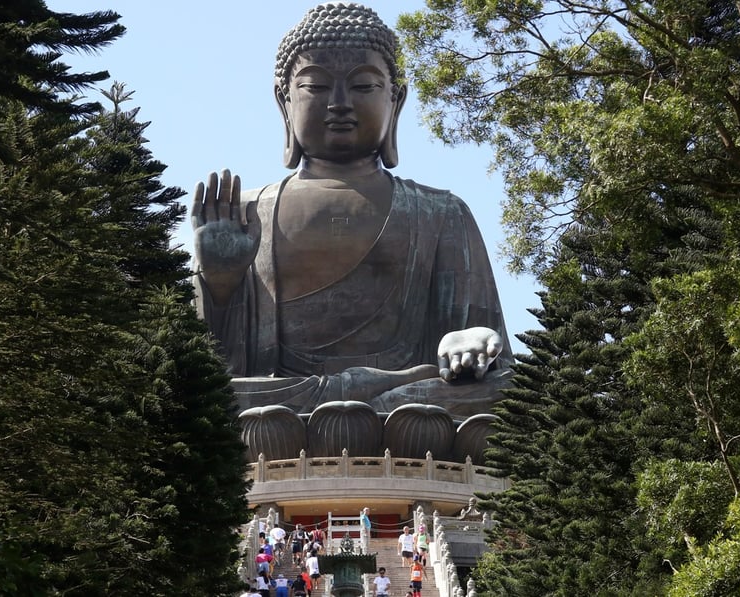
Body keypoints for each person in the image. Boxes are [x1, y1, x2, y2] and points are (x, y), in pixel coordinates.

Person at [192, 2, 514, 418]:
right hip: (279, 402)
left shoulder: (442, 212)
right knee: (191, 398)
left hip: (407, 397)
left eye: (363, 87)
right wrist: (220, 285)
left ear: (395, 101)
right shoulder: (244, 213)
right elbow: (206, 366)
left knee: (510, 391)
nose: (340, 103)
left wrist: (469, 343)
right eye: (316, 87)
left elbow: (485, 356)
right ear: (283, 101)